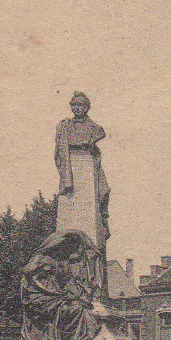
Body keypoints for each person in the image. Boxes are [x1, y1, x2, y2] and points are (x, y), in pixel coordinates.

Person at [55, 91, 111, 242]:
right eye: (74, 105)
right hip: (70, 165)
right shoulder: (64, 127)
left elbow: (100, 134)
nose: (77, 108)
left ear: (87, 108)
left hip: (86, 163)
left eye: (80, 105)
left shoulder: (95, 129)